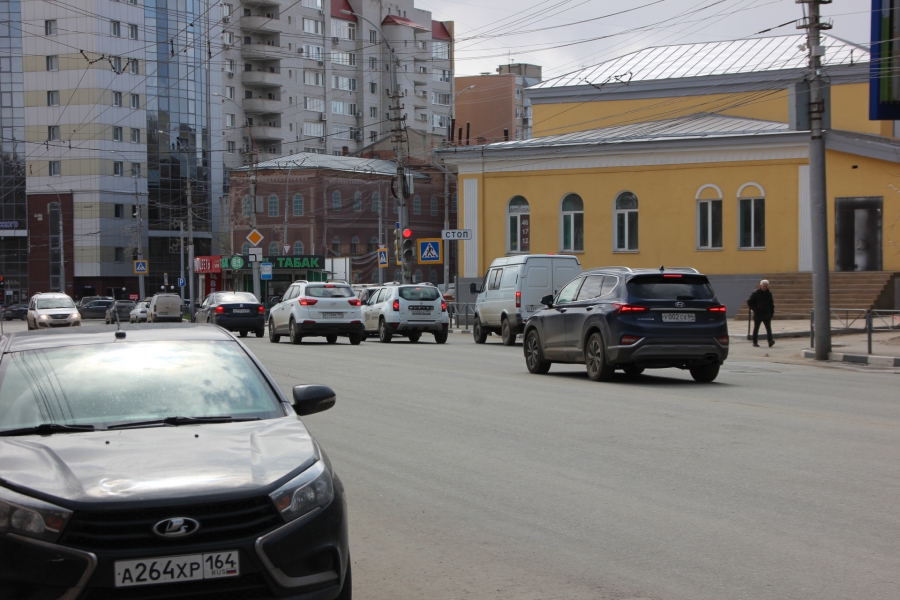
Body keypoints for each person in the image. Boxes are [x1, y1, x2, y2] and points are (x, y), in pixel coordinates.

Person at [747, 279, 775, 347]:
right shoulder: (756, 293)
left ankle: (770, 341)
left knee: (768, 328)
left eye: (766, 286)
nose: (764, 288)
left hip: (766, 313)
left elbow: (771, 304)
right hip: (758, 314)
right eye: (763, 286)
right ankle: (755, 342)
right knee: (756, 328)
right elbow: (750, 302)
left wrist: (771, 313)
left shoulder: (769, 293)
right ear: (761, 286)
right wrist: (755, 309)